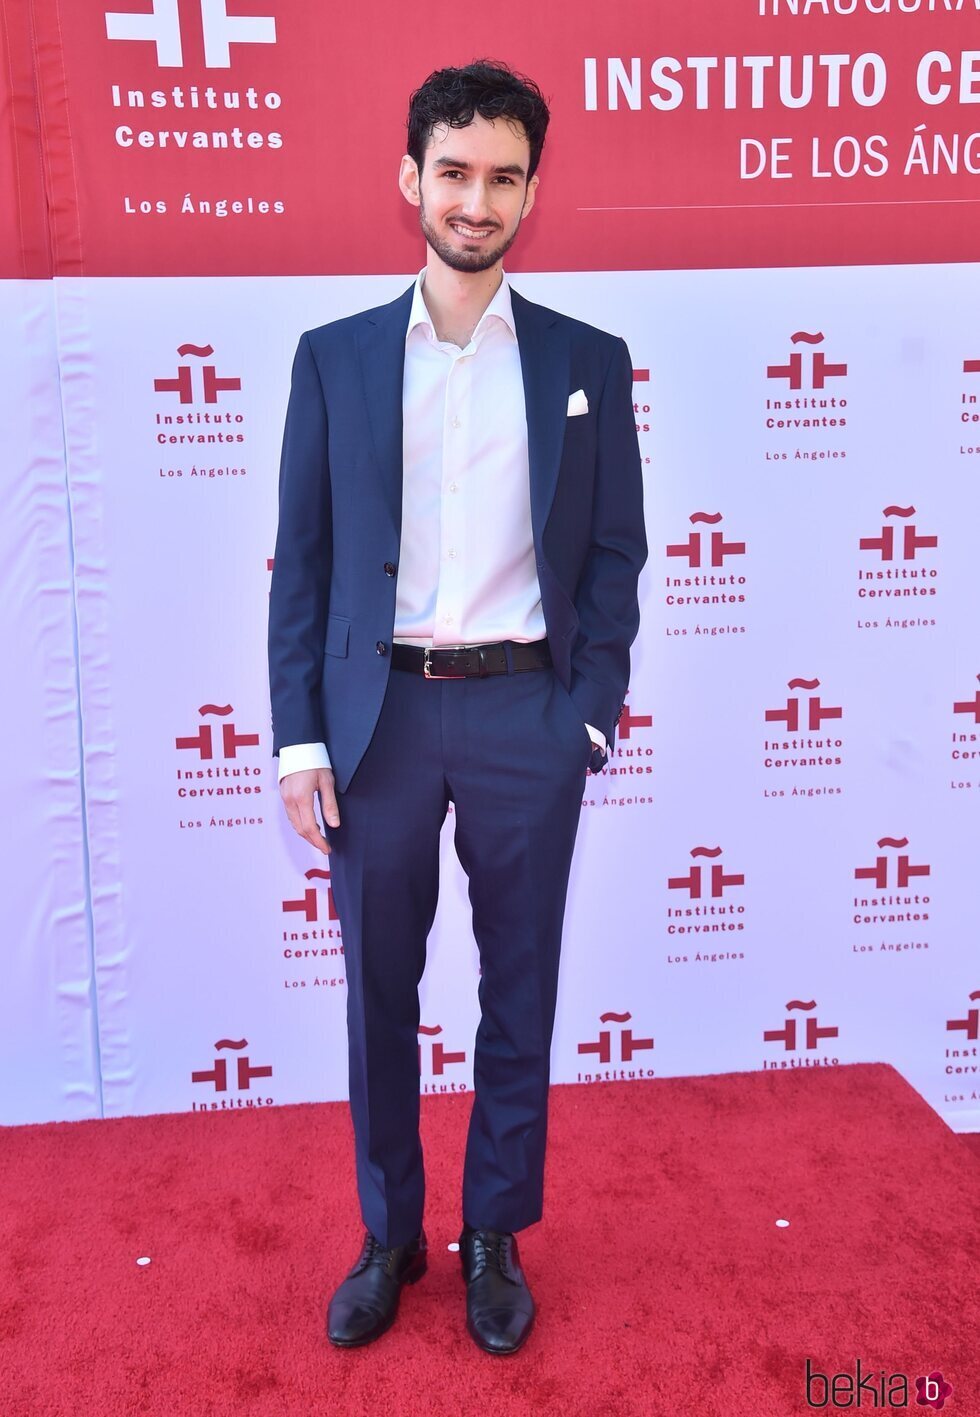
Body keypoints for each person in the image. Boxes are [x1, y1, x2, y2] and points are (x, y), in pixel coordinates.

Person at [267, 58, 647, 1355]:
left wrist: (586, 715)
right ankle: (391, 1233)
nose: (476, 200)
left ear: (532, 193)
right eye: (454, 172)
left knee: (520, 988)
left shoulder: (589, 364)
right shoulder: (335, 361)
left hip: (524, 717)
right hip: (377, 723)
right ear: (409, 180)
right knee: (379, 990)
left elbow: (612, 558)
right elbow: (302, 564)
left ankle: (494, 1231)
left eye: (502, 177)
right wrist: (299, 732)